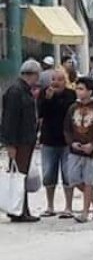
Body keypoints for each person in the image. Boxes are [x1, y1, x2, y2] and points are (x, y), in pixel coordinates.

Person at [62, 75, 93, 223]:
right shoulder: (72, 108)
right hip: (75, 150)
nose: (78, 91)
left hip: (92, 152)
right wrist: (71, 143)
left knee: (89, 181)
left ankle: (85, 212)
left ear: (90, 91)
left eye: (81, 89)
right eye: (77, 88)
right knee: (72, 178)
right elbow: (67, 129)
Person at [1, 60, 42, 222]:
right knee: (18, 177)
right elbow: (9, 119)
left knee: (21, 176)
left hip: (26, 140)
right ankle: (19, 210)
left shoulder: (24, 90)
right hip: (19, 141)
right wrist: (9, 144)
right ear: (32, 74)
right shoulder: (16, 92)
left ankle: (19, 208)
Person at [37, 69, 77, 217]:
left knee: (68, 174)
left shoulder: (71, 95)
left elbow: (69, 113)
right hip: (48, 139)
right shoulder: (44, 93)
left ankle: (68, 207)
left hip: (66, 141)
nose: (56, 82)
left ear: (65, 81)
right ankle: (50, 206)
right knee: (48, 174)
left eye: (59, 79)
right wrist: (47, 99)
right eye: (53, 79)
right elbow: (41, 113)